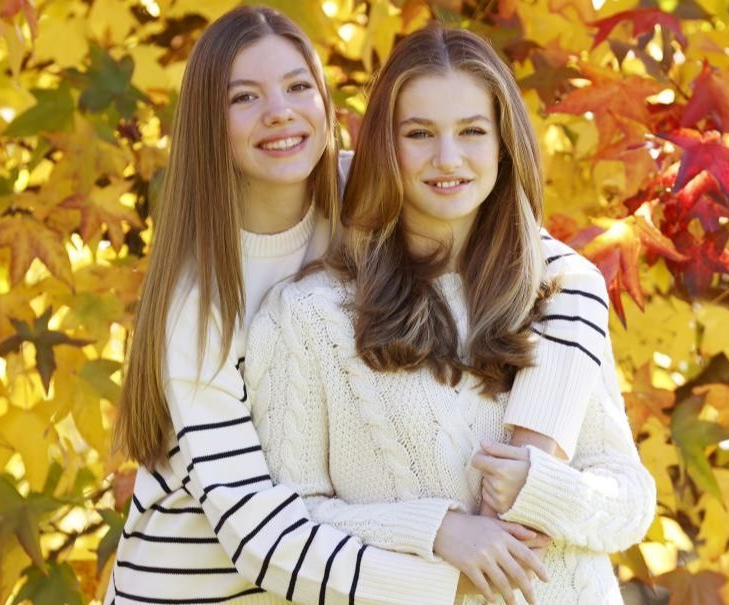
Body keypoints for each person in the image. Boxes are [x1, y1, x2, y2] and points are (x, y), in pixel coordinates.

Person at [106, 7, 609, 605]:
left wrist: (536, 443)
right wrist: (450, 561)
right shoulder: (201, 303)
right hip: (193, 585)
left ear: (327, 105)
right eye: (245, 97)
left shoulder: (366, 193)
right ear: (208, 124)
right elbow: (257, 531)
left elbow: (559, 271)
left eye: (298, 87)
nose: (280, 112)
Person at [245, 26, 656, 605]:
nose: (448, 158)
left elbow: (630, 501)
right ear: (386, 146)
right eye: (419, 134)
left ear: (502, 145)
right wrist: (437, 532)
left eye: (472, 132)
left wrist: (544, 488)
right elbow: (292, 526)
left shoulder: (558, 296)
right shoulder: (311, 318)